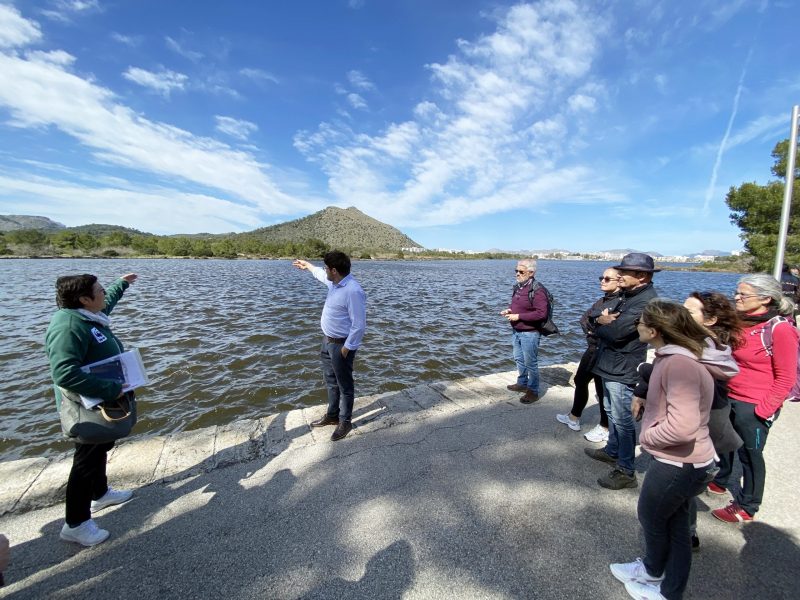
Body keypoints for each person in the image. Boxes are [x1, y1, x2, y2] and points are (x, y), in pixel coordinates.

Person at [610, 300, 717, 600]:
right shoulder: (670, 358)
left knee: (653, 518)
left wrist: (648, 438)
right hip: (681, 459)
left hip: (680, 462)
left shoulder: (679, 365)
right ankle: (653, 571)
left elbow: (683, 427)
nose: (637, 326)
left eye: (641, 322)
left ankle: (667, 591)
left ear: (654, 330)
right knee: (676, 523)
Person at [45, 273, 138, 547]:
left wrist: (122, 284)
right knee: (85, 460)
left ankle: (100, 493)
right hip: (86, 407)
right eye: (99, 290)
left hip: (99, 402)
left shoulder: (88, 315)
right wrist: (110, 390)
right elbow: (64, 373)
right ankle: (76, 524)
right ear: (85, 299)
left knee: (99, 448)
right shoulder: (68, 326)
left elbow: (108, 302)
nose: (103, 293)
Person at [710, 274, 798, 523]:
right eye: (737, 292)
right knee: (724, 442)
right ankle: (720, 479)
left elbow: (786, 376)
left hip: (754, 403)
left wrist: (763, 410)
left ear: (765, 299)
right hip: (729, 395)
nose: (737, 297)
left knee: (750, 455)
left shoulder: (780, 329)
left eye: (743, 294)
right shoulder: (740, 322)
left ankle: (747, 505)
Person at [585, 253, 659, 490]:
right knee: (610, 410)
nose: (619, 276)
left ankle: (626, 470)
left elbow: (617, 333)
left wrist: (601, 324)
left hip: (622, 367)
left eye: (624, 272)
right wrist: (601, 321)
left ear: (641, 276)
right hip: (609, 363)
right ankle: (613, 450)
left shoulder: (645, 302)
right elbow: (593, 317)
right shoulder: (628, 296)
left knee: (623, 419)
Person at [680, 292, 743, 549]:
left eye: (689, 311)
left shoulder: (702, 352)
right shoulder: (713, 348)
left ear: (710, 320)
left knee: (679, 488)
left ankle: (680, 543)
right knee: (683, 490)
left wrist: (646, 371)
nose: (681, 313)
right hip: (694, 432)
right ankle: (686, 535)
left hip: (691, 433)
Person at [293, 251, 367, 441]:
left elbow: (359, 325)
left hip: (341, 346)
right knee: (331, 381)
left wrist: (346, 349)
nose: (324, 270)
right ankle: (333, 416)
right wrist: (308, 266)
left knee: (345, 385)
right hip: (327, 342)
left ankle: (345, 421)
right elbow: (319, 274)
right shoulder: (334, 283)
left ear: (334, 271)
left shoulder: (353, 291)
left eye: (327, 268)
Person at [556, 268, 619, 439]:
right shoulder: (603, 300)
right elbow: (584, 319)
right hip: (593, 348)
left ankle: (605, 427)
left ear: (619, 281)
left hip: (603, 351)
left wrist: (595, 325)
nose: (602, 281)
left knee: (601, 388)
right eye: (601, 278)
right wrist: (596, 324)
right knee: (581, 380)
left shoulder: (618, 303)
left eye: (607, 279)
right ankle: (574, 417)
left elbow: (612, 328)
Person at [500, 259, 549, 404]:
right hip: (516, 330)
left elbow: (542, 314)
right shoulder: (519, 287)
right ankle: (522, 383)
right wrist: (509, 311)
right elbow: (520, 306)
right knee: (518, 358)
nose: (517, 274)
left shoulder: (538, 290)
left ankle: (533, 391)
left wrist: (518, 316)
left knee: (530, 362)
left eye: (521, 271)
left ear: (531, 272)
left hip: (530, 333)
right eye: (516, 271)